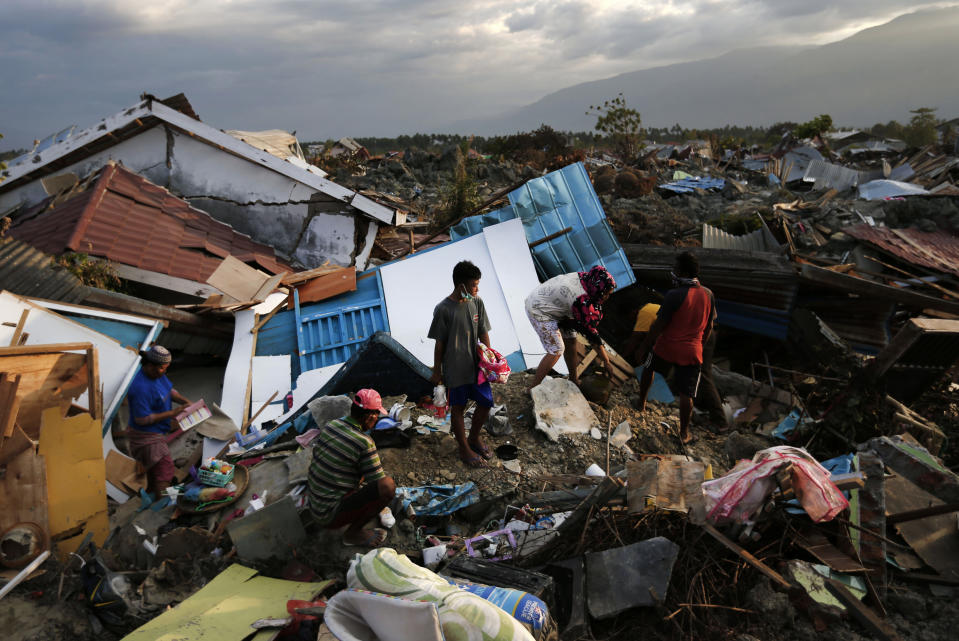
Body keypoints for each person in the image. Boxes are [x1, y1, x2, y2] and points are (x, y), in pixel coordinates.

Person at [635, 251, 716, 445]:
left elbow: (658, 325)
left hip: (666, 345)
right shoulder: (708, 294)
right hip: (692, 350)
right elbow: (710, 326)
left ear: (682, 272)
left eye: (676, 269)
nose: (673, 272)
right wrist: (700, 345)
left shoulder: (674, 295)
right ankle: (684, 433)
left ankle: (641, 404)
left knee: (649, 368)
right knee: (686, 394)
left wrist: (644, 346)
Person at [307, 389, 397, 547]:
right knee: (387, 487)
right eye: (377, 415)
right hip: (328, 515)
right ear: (370, 416)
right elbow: (378, 485)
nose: (376, 420)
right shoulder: (364, 442)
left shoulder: (332, 425)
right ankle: (353, 534)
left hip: (314, 505)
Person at [428, 260, 494, 468]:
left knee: (486, 402)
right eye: (474, 284)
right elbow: (440, 343)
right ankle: (464, 448)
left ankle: (474, 438)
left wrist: (489, 358)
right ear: (461, 286)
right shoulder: (443, 309)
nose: (477, 288)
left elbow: (483, 331)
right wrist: (437, 371)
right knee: (458, 407)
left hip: (476, 365)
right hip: (455, 368)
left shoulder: (477, 302)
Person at [525, 265, 616, 390]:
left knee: (571, 341)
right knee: (556, 349)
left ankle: (574, 379)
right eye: (606, 293)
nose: (607, 297)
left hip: (553, 302)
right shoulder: (580, 301)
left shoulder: (587, 279)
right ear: (598, 288)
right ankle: (533, 388)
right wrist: (606, 361)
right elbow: (591, 335)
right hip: (539, 309)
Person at [125, 345, 192, 498]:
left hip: (158, 431)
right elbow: (141, 419)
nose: (164, 371)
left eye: (166, 368)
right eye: (162, 368)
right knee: (165, 470)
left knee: (153, 469)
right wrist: (172, 413)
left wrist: (185, 401)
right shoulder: (139, 388)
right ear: (150, 366)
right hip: (146, 435)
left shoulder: (158, 374)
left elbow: (169, 390)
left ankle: (152, 496)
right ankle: (164, 504)